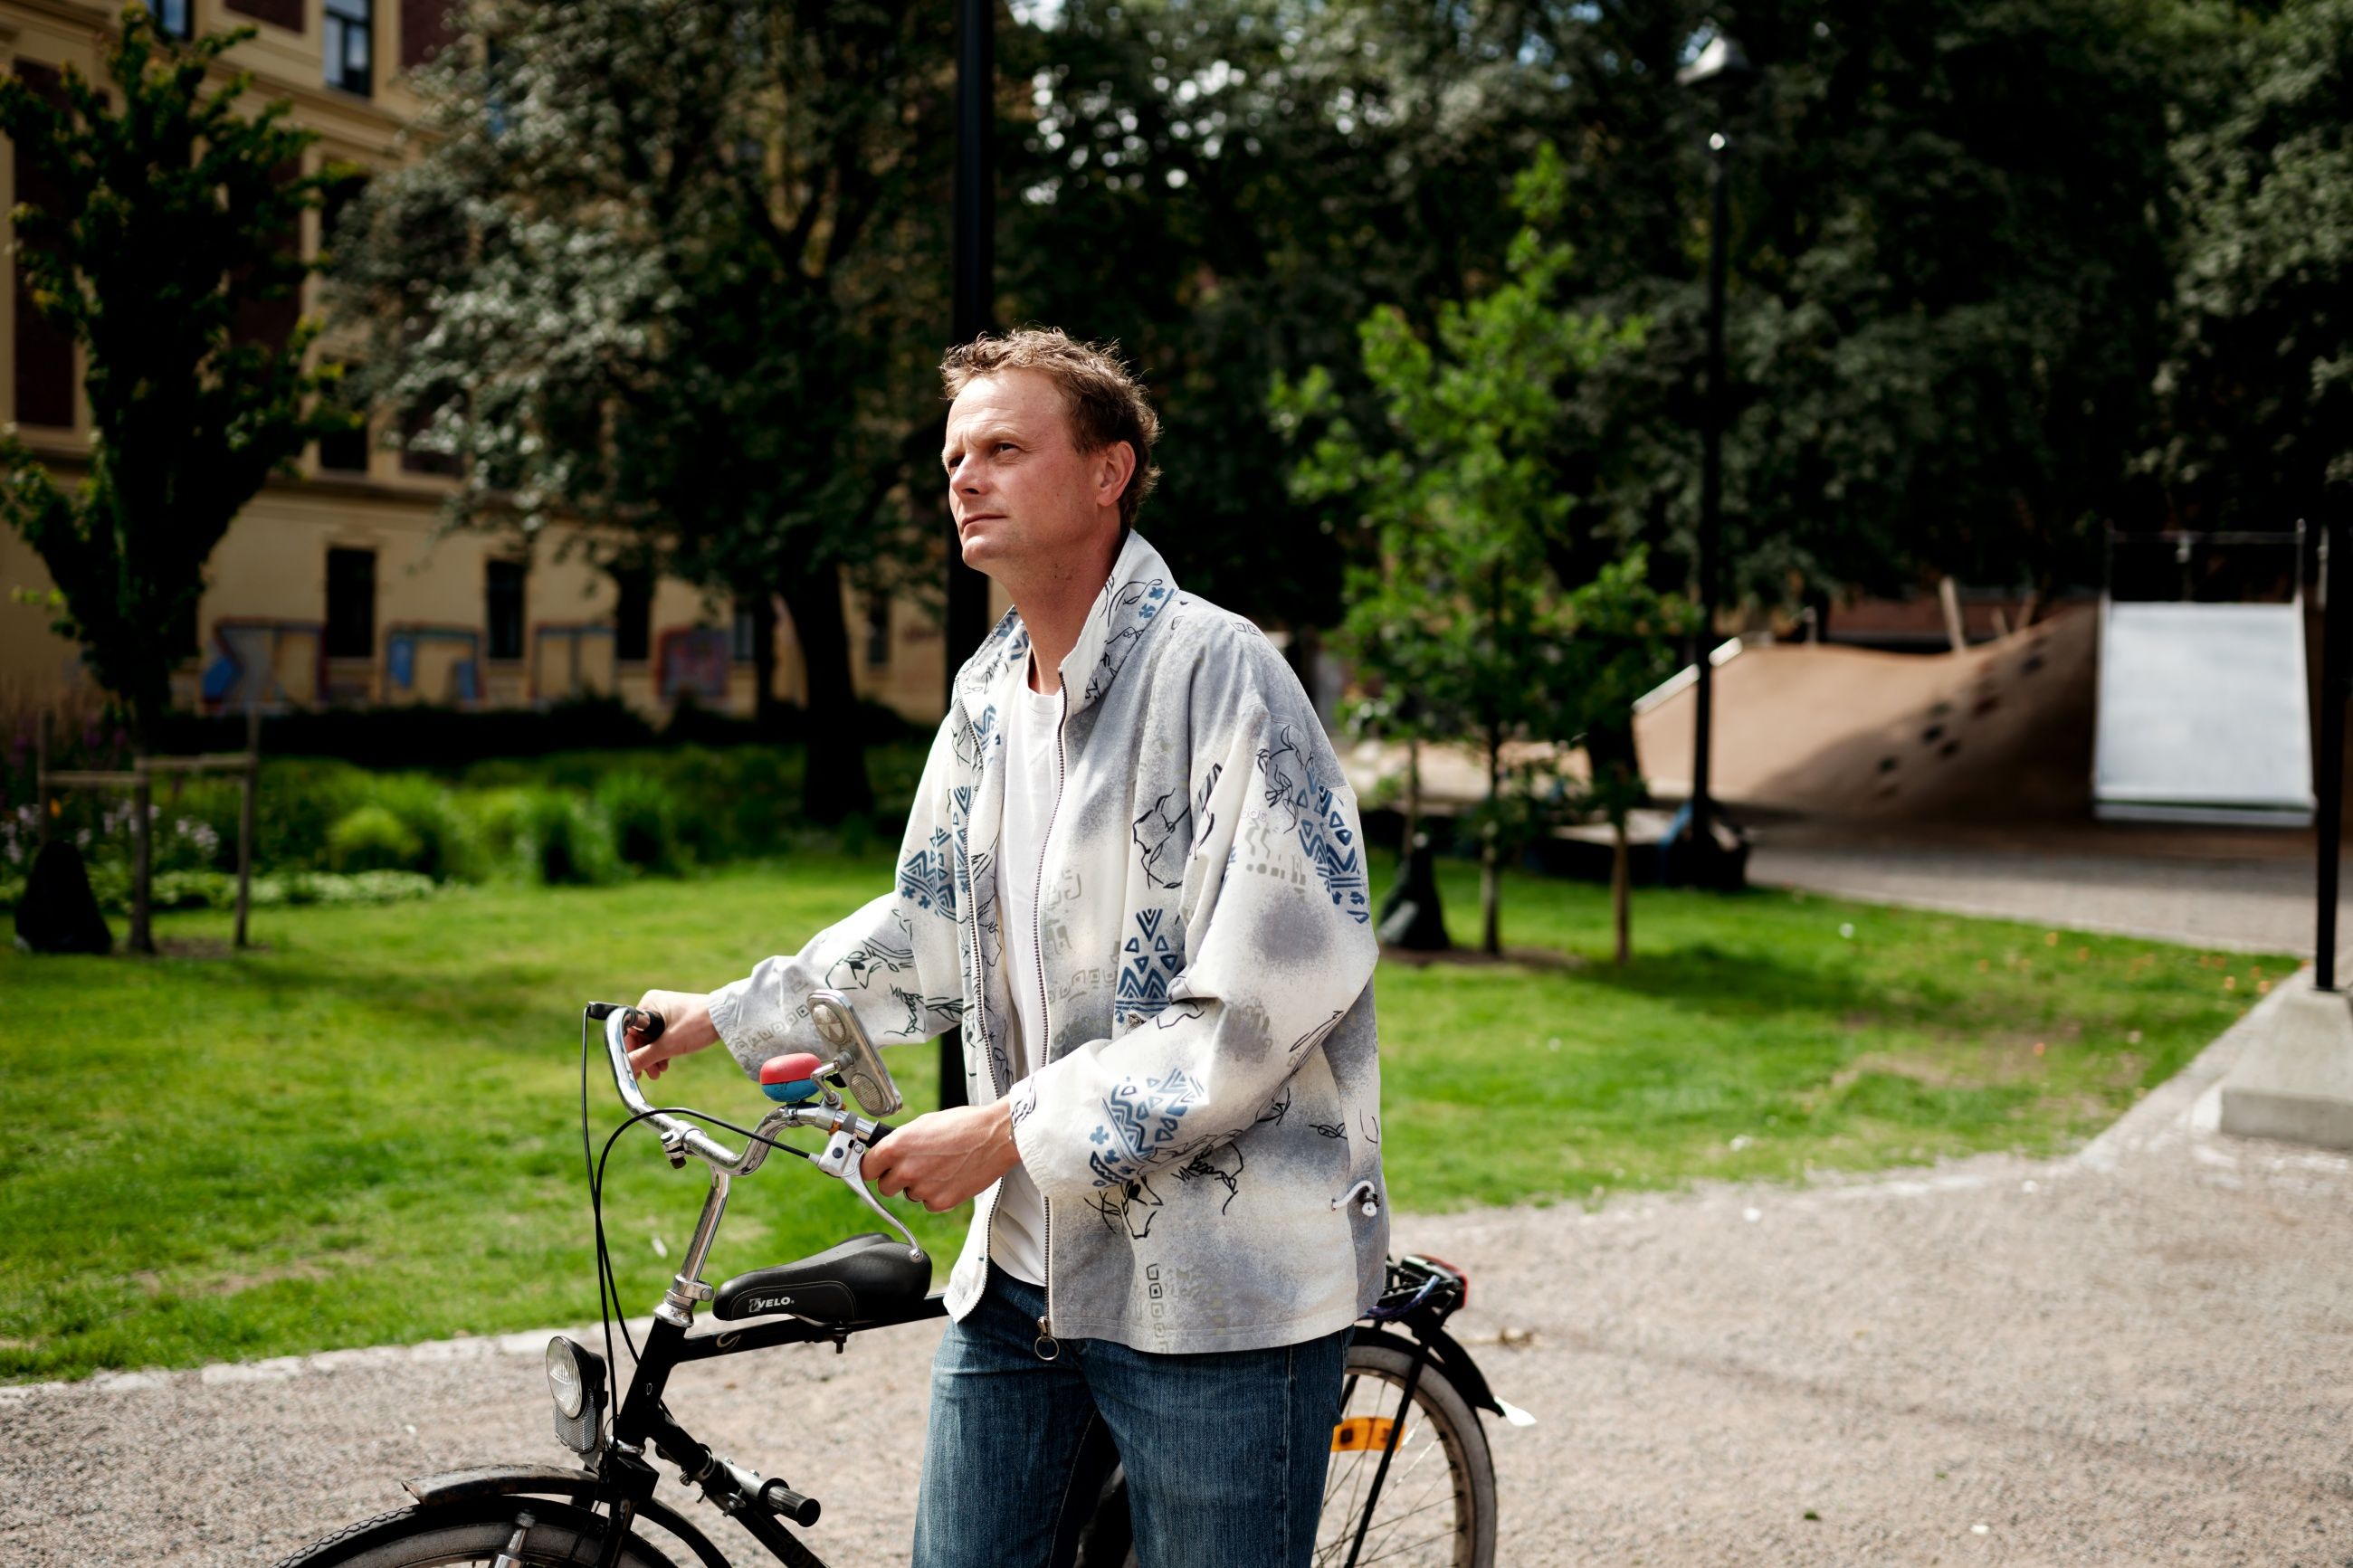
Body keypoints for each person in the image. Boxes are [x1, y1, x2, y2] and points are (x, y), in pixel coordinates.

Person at [624, 328, 1385, 1568]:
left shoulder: (1224, 674)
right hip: (1023, 1283)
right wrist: (724, 1014)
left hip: (1219, 1301)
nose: (965, 478)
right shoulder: (986, 696)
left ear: (1108, 472)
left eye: (1004, 449)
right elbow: (927, 928)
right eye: (953, 459)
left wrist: (1003, 1132)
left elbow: (1258, 1004)